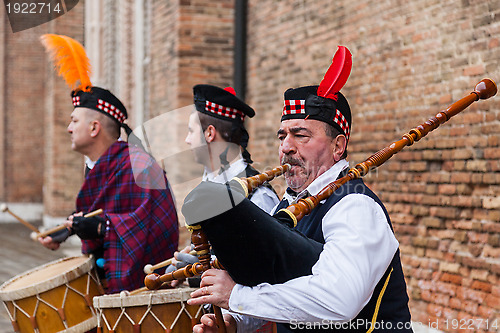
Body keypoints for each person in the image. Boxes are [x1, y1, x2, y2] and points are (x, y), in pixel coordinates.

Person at [184, 82, 413, 331]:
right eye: (282, 136)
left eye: (300, 135)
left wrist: (237, 297)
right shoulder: (288, 204)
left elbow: (338, 300)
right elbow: (275, 289)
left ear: (338, 146)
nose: (285, 147)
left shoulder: (355, 206)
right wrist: (234, 322)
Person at [39, 86, 179, 294]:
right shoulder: (100, 164)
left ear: (95, 128)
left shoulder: (140, 165)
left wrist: (101, 228)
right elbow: (102, 210)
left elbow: (155, 226)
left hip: (141, 290)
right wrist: (69, 227)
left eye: (75, 121)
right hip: (102, 281)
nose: (69, 128)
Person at [170, 84, 280, 289]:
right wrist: (191, 261)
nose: (187, 140)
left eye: (191, 131)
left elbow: (265, 272)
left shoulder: (258, 196)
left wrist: (202, 269)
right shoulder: (207, 186)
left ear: (209, 133)